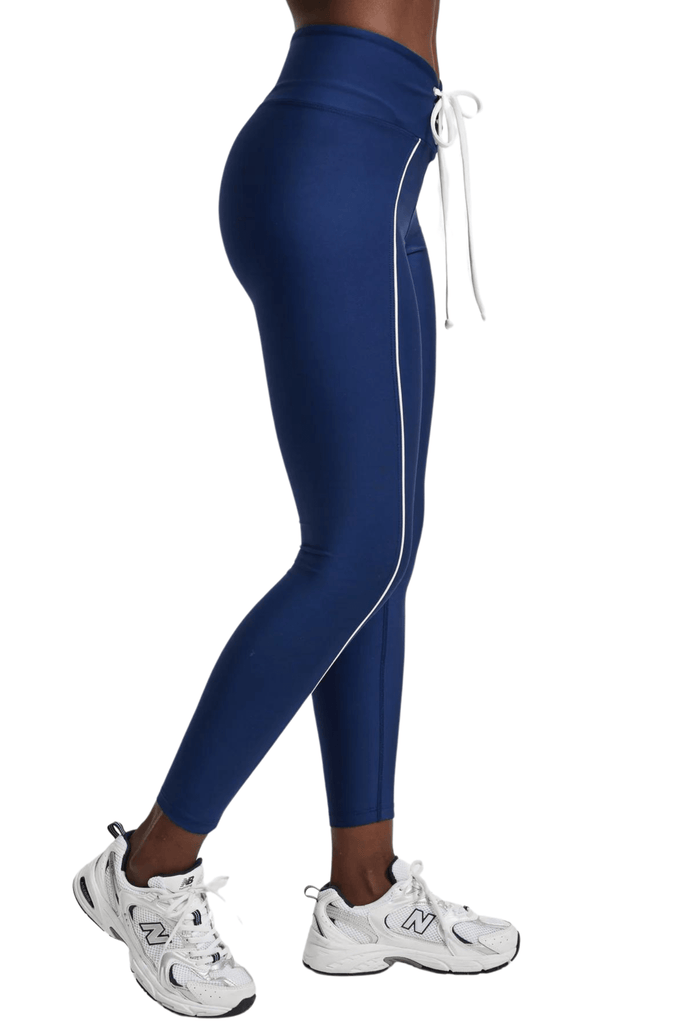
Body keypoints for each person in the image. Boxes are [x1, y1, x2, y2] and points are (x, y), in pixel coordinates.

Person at [72, 1, 519, 1015]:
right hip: (334, 161)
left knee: (381, 558)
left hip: (377, 168)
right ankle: (146, 868)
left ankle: (364, 890)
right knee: (354, 554)